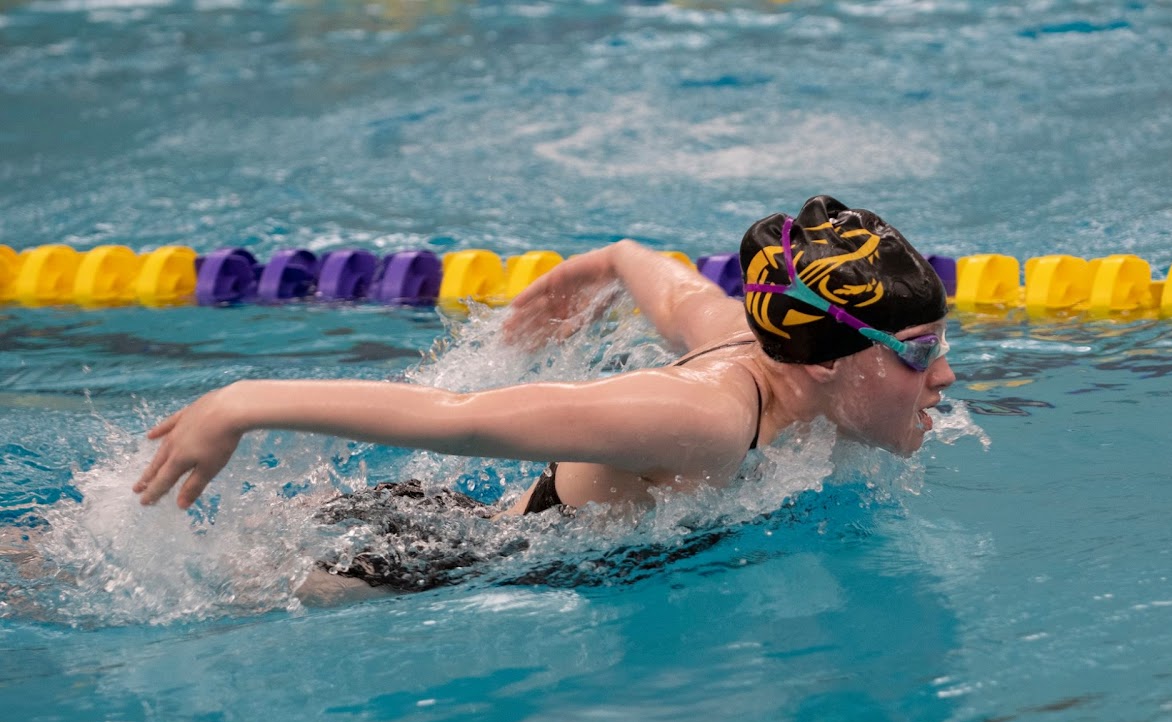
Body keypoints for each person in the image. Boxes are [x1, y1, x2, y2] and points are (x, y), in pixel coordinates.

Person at [133, 195, 956, 529]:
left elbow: (669, 291)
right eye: (919, 353)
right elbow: (463, 420)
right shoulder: (702, 417)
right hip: (412, 569)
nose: (945, 377)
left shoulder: (762, 342)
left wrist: (607, 260)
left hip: (435, 522)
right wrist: (239, 400)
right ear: (825, 361)